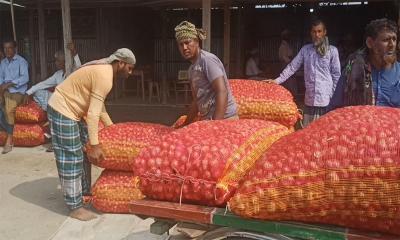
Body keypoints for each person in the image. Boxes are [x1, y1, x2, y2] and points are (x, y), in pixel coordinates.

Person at [47, 48, 135, 221]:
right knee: (72, 156)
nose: (130, 73)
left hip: (73, 111)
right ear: (121, 63)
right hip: (63, 109)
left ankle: (84, 192)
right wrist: (95, 145)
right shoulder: (105, 76)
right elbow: (94, 113)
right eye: (129, 68)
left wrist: (112, 129)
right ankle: (74, 206)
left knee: (84, 151)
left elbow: (99, 106)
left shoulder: (104, 71)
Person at [266, 19, 341, 127]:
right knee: (308, 133)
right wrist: (277, 80)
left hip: (326, 100)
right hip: (310, 100)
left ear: (325, 32)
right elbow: (292, 66)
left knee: (325, 131)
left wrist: (334, 96)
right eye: (314, 32)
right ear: (311, 33)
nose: (317, 35)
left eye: (319, 31)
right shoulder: (305, 50)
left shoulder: (332, 51)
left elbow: (336, 75)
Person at [174, 21, 238, 126]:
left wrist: (215, 125)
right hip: (209, 121)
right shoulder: (192, 70)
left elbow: (222, 91)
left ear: (197, 42)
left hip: (225, 119)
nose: (184, 47)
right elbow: (196, 102)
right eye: (181, 45)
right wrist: (185, 125)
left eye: (187, 42)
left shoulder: (207, 60)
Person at [343, 18, 399, 107]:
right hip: (360, 120)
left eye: (394, 39)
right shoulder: (353, 71)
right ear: (370, 43)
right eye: (386, 40)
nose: (392, 45)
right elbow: (335, 108)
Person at [24, 42, 81, 111]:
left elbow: (79, 67)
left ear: (65, 61)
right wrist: (28, 92)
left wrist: (74, 52)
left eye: (58, 61)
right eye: (55, 60)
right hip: (59, 101)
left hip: (71, 102)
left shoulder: (73, 71)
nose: (56, 63)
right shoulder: (58, 74)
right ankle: (48, 112)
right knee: (37, 92)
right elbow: (43, 84)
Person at [0, 40, 29, 154]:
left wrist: (10, 83)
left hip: (18, 92)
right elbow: (1, 78)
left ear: (15, 48)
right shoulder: (3, 63)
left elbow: (25, 78)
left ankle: (10, 139)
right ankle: (7, 128)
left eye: (10, 48)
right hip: (5, 90)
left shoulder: (21, 61)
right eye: (5, 48)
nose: (7, 50)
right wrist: (2, 86)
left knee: (8, 108)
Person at [278, 29, 297, 96]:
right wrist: (292, 63)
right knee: (288, 82)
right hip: (286, 65)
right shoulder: (283, 46)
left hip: (289, 64)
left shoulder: (287, 45)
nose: (289, 37)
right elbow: (284, 57)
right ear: (284, 37)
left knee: (291, 82)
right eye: (287, 36)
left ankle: (292, 96)